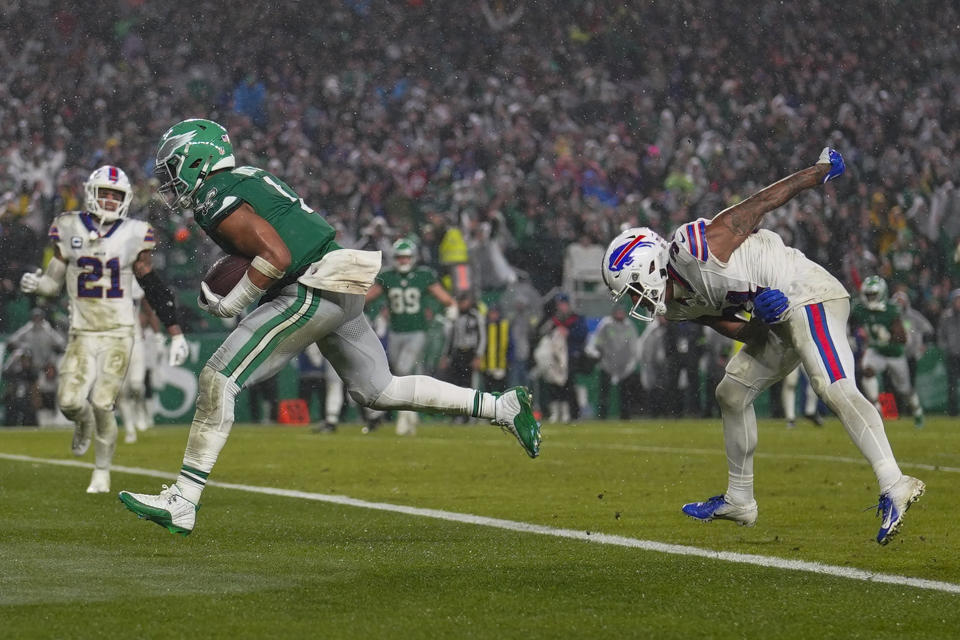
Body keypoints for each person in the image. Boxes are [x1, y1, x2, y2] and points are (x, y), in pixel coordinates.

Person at [119, 119, 540, 535]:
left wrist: (235, 301)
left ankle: (183, 500)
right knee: (379, 390)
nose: (169, 183)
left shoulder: (215, 194)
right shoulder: (245, 178)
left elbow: (276, 257)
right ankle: (500, 407)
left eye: (173, 169)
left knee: (218, 377)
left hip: (311, 284)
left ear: (197, 160)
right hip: (338, 277)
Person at [600, 148, 923, 545]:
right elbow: (743, 334)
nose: (637, 301)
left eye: (633, 289)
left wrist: (818, 172)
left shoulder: (696, 248)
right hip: (779, 318)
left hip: (808, 292)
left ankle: (894, 483)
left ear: (649, 265)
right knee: (731, 393)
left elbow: (762, 203)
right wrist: (761, 320)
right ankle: (740, 499)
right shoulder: (678, 307)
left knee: (832, 386)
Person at [20, 165, 189, 492]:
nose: (110, 201)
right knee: (70, 403)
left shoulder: (135, 232)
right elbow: (52, 282)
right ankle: (82, 424)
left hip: (118, 330)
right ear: (92, 194)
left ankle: (102, 470)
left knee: (102, 402)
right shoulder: (68, 226)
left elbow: (152, 284)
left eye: (117, 195)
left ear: (125, 199)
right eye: (105, 193)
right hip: (82, 331)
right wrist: (36, 284)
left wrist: (175, 329)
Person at [364, 237, 458, 435]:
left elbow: (445, 298)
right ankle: (412, 414)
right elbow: (368, 296)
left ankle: (403, 419)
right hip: (396, 332)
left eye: (406, 257)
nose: (403, 261)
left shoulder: (423, 276)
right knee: (402, 373)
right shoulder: (388, 276)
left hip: (417, 332)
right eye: (400, 257)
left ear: (413, 258)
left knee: (404, 369)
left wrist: (451, 308)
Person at [850, 276, 924, 428]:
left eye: (873, 294)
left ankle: (917, 411)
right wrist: (851, 334)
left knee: (904, 389)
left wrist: (890, 335)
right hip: (876, 350)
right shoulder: (859, 308)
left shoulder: (891, 310)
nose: (870, 297)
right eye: (868, 294)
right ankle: (876, 407)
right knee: (867, 371)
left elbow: (902, 338)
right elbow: (849, 318)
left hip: (894, 354)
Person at [585, 304, 640, 420]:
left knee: (625, 394)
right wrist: (598, 356)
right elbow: (597, 342)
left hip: (624, 366)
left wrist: (630, 365)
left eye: (622, 312)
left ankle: (625, 416)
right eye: (618, 312)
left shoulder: (629, 325)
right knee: (604, 393)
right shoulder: (606, 325)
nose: (620, 314)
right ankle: (602, 416)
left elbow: (634, 347)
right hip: (607, 364)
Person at [440, 291, 486, 425]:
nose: (462, 304)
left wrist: (478, 355)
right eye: (460, 302)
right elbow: (450, 338)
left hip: (470, 352)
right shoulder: (456, 316)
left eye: (464, 301)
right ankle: (458, 414)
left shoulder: (476, 316)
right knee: (456, 385)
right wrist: (446, 355)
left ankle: (470, 414)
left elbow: (482, 337)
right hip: (457, 353)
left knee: (469, 385)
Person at [937, 289, 960, 417]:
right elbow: (941, 334)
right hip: (952, 355)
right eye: (957, 299)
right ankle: (953, 412)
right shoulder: (947, 316)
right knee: (952, 385)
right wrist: (946, 347)